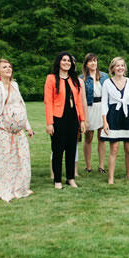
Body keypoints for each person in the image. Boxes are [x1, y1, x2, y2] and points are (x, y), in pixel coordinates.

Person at [0, 59, 34, 202]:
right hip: (2, 130)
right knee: (3, 160)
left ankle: (19, 187)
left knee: (21, 159)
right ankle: (2, 188)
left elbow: (21, 106)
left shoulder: (15, 85)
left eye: (10, 66)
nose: (8, 69)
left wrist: (28, 126)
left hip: (17, 132)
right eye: (4, 67)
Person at [45, 52, 87, 189]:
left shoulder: (75, 80)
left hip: (73, 118)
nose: (67, 63)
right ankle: (57, 180)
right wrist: (49, 122)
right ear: (59, 62)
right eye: (64, 60)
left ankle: (70, 178)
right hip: (58, 118)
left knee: (71, 149)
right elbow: (48, 102)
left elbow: (79, 102)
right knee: (57, 150)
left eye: (69, 61)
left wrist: (82, 120)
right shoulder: (51, 79)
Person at [100, 57, 129, 184]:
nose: (120, 68)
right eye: (117, 66)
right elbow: (104, 103)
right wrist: (105, 121)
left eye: (122, 65)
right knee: (114, 148)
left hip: (127, 115)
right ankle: (111, 178)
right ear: (112, 68)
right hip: (113, 115)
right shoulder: (107, 83)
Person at [81, 53, 108, 174]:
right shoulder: (82, 78)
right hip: (89, 108)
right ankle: (88, 166)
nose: (93, 63)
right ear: (86, 64)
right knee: (89, 137)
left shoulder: (104, 76)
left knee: (102, 137)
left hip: (102, 107)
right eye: (91, 61)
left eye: (95, 60)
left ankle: (101, 166)